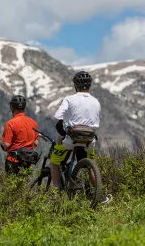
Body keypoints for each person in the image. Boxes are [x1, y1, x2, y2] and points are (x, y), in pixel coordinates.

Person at [50, 70, 112, 204]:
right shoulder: (96, 102)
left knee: (53, 163)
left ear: (75, 85)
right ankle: (100, 196)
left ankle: (56, 193)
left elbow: (58, 117)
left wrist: (62, 133)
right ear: (89, 85)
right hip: (89, 141)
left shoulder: (69, 99)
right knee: (91, 167)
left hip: (70, 140)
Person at [0, 95, 39, 175]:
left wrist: (1, 143)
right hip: (27, 161)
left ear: (12, 107)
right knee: (23, 184)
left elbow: (6, 145)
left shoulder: (11, 123)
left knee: (11, 185)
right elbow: (35, 143)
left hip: (13, 160)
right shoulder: (33, 123)